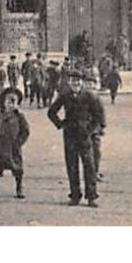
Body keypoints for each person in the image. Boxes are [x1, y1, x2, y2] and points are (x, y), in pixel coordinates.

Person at [48, 67, 105, 208]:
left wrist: (90, 130)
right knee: (72, 166)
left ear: (82, 82)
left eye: (78, 81)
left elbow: (98, 117)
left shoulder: (89, 96)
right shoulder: (64, 96)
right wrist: (60, 124)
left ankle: (91, 196)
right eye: (73, 81)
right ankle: (75, 196)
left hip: (85, 136)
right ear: (69, 82)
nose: (76, 83)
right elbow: (51, 112)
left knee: (89, 166)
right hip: (70, 136)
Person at [0, 87, 30, 198]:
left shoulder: (20, 117)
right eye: (8, 102)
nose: (10, 105)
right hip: (0, 147)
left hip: (14, 147)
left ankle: (19, 188)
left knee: (17, 169)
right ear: (4, 103)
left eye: (14, 102)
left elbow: (25, 131)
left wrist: (19, 142)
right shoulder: (0, 116)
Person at [83, 70, 106, 182]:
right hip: (82, 129)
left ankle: (95, 172)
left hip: (95, 129)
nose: (89, 85)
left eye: (91, 83)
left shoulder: (96, 97)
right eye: (87, 83)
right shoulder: (80, 96)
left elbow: (101, 113)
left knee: (96, 151)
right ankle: (88, 173)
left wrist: (102, 126)